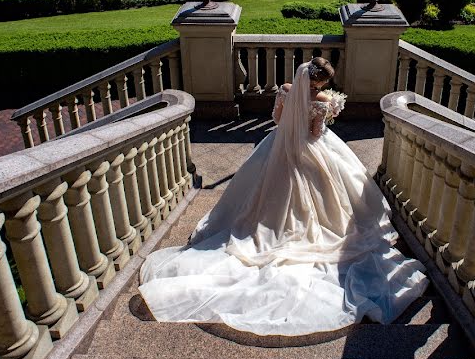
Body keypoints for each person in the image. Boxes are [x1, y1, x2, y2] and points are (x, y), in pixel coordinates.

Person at [138, 57, 428, 336]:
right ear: (320, 81)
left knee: (262, 193)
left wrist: (295, 122)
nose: (321, 89)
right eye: (322, 84)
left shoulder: (287, 90)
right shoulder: (324, 100)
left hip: (278, 146)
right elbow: (316, 132)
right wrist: (326, 114)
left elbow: (277, 119)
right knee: (334, 189)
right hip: (313, 149)